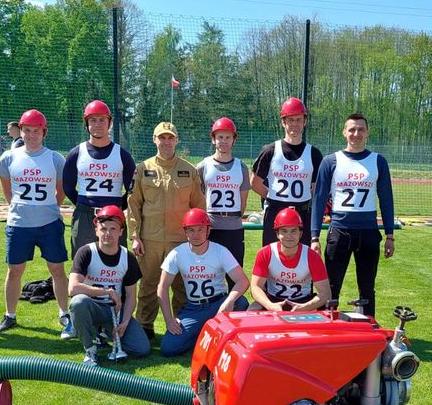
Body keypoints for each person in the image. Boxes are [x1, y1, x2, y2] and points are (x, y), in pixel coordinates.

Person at [0, 109, 73, 337]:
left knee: (57, 269)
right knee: (14, 270)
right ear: (21, 131)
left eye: (36, 131)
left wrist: (47, 207)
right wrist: (21, 209)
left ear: (44, 132)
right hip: (19, 224)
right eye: (27, 130)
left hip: (49, 223)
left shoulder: (56, 158)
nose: (31, 135)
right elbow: (8, 192)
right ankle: (10, 315)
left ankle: (64, 313)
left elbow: (61, 191)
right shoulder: (9, 157)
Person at [311, 113, 395, 318]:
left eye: (361, 130)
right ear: (344, 132)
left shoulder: (378, 161)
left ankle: (369, 330)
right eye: (352, 129)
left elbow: (386, 199)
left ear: (367, 133)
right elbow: (319, 200)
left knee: (367, 288)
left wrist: (390, 235)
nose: (356, 134)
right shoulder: (330, 161)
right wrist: (314, 237)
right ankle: (326, 329)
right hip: (339, 231)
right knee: (331, 287)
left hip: (368, 232)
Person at [127, 122, 205, 341]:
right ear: (154, 139)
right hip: (149, 239)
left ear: (176, 140)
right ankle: (145, 327)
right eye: (162, 137)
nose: (166, 142)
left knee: (182, 286)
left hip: (180, 240)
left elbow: (199, 206)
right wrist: (135, 236)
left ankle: (182, 326)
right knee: (148, 284)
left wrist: (197, 237)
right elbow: (133, 204)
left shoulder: (189, 170)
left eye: (170, 138)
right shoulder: (143, 168)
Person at [158, 208, 249, 357]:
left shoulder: (220, 251)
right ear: (185, 232)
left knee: (241, 302)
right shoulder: (177, 253)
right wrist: (169, 320)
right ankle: (208, 335)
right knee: (169, 347)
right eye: (191, 230)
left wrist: (228, 302)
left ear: (208, 230)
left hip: (218, 304)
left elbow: (242, 281)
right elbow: (162, 287)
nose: (196, 234)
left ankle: (209, 334)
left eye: (200, 229)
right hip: (194, 308)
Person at [68, 205, 151, 366]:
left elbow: (131, 297)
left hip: (115, 311)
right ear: (96, 230)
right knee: (78, 302)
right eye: (103, 228)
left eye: (113, 229)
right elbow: (73, 288)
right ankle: (90, 349)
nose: (108, 233)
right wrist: (107, 291)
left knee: (141, 349)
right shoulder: (86, 252)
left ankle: (103, 333)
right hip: (91, 307)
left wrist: (124, 322)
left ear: (121, 232)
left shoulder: (128, 257)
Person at [63, 100, 136, 257]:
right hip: (84, 217)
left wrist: (117, 207)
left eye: (102, 119)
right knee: (82, 261)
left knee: (115, 263)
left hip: (114, 217)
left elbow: (132, 190)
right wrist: (84, 206)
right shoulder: (76, 153)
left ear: (109, 122)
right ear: (86, 123)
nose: (97, 124)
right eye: (93, 120)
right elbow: (68, 187)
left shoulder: (122, 155)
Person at [251, 97, 323, 247]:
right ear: (283, 122)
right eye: (290, 120)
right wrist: (273, 197)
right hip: (275, 213)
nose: (294, 124)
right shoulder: (270, 151)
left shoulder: (314, 154)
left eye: (298, 120)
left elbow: (316, 187)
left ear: (304, 122)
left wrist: (304, 197)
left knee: (302, 258)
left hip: (302, 215)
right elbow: (255, 182)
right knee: (272, 256)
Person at [250, 207, 331, 311]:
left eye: (294, 231)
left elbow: (325, 293)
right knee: (252, 309)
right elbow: (255, 287)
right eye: (284, 231)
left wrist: (304, 307)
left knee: (329, 314)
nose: (289, 236)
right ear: (277, 234)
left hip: (304, 301)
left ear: (300, 233)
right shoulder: (266, 253)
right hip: (273, 300)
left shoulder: (312, 256)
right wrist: (270, 305)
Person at [198, 117, 250, 267]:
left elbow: (243, 201)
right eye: (220, 137)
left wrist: (233, 218)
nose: (224, 141)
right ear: (213, 139)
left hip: (234, 228)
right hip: (210, 228)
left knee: (234, 271)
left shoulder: (241, 167)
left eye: (228, 137)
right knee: (210, 271)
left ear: (234, 140)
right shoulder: (203, 166)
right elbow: (198, 198)